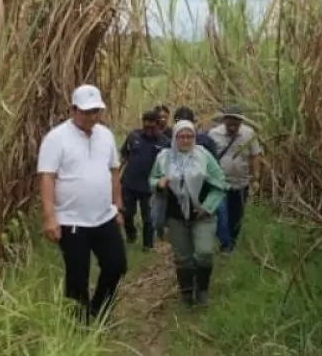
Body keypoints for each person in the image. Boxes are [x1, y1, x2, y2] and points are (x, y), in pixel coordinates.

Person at [37, 84, 128, 325]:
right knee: (77, 276)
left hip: (104, 216)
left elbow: (114, 171)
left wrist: (117, 206)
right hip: (71, 220)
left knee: (116, 265)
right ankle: (78, 326)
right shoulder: (56, 138)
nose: (91, 116)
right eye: (86, 111)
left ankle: (99, 312)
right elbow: (47, 177)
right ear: (73, 109)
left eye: (96, 111)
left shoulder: (105, 135)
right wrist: (49, 217)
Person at [149, 120, 227, 307]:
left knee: (204, 252)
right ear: (175, 138)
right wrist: (158, 183)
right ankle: (186, 293)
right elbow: (152, 179)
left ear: (194, 137)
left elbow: (220, 183)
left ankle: (202, 289)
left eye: (189, 136)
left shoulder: (203, 156)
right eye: (181, 136)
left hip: (202, 215)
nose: (185, 140)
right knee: (183, 258)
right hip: (175, 216)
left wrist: (208, 206)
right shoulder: (164, 157)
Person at [208, 105, 262, 255]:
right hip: (220, 183)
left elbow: (255, 155)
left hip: (241, 183)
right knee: (221, 214)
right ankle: (225, 245)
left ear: (241, 121)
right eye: (230, 120)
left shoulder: (248, 133)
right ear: (224, 120)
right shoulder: (213, 134)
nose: (233, 124)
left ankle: (231, 242)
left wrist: (256, 177)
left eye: (237, 121)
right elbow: (208, 157)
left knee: (236, 216)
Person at [119, 110, 169, 251]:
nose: (148, 129)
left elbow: (167, 164)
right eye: (145, 126)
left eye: (151, 127)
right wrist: (116, 172)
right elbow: (124, 155)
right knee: (127, 213)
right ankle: (131, 235)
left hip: (149, 186)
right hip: (129, 183)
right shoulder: (133, 136)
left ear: (157, 125)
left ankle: (148, 245)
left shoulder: (164, 142)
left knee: (148, 217)